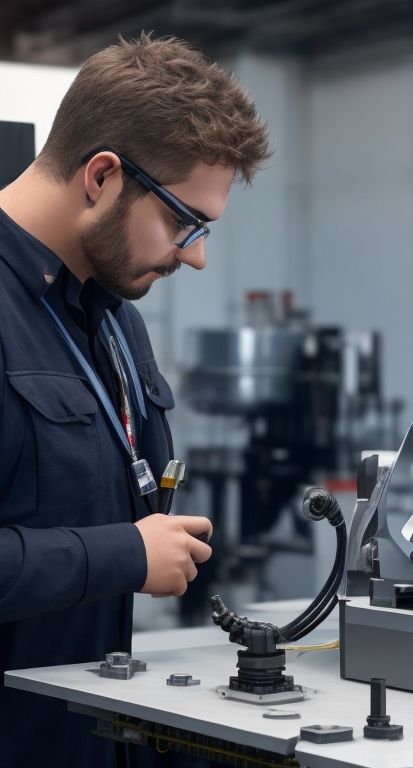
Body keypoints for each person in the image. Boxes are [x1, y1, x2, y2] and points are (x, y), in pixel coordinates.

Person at [0, 33, 270, 766]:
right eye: (184, 221)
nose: (196, 254)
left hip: (90, 732)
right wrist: (121, 553)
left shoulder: (117, 320)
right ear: (102, 175)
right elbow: (118, 548)